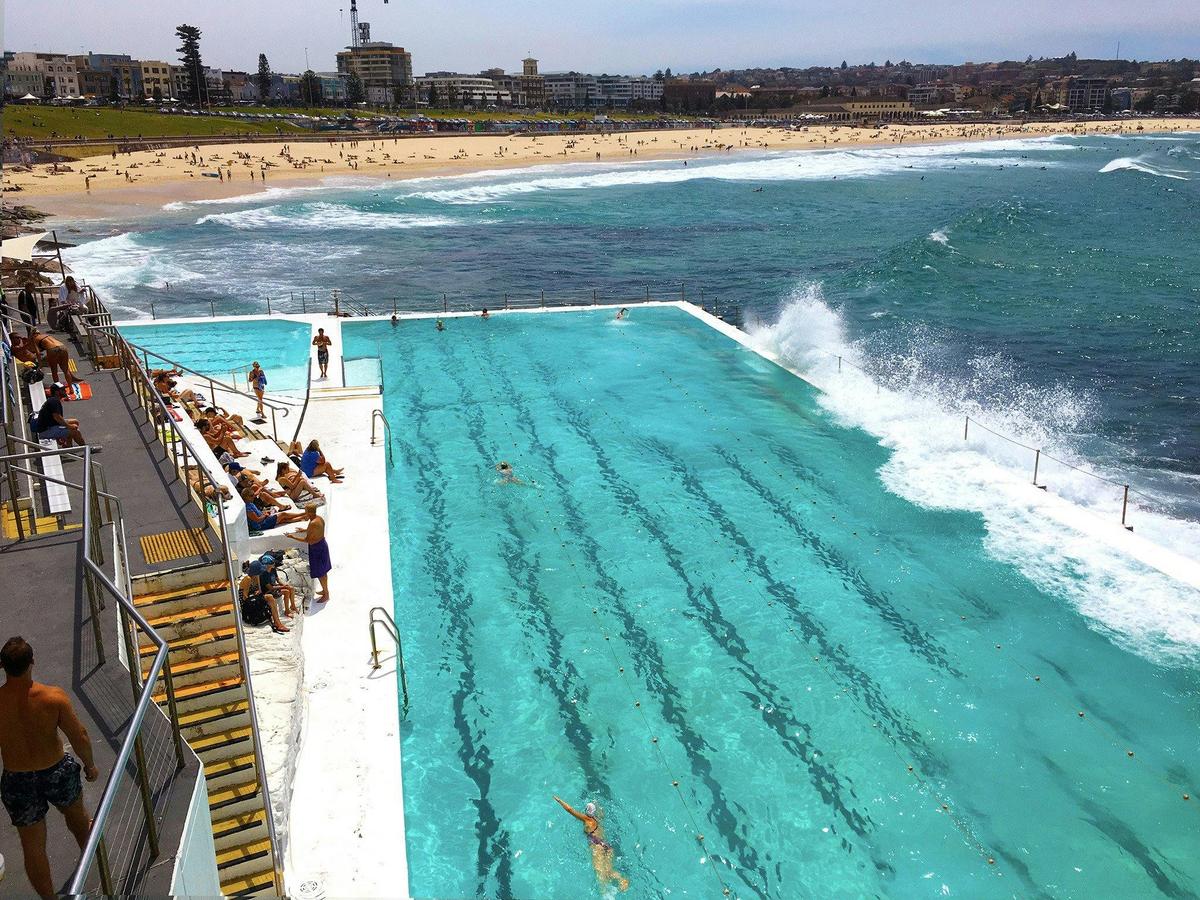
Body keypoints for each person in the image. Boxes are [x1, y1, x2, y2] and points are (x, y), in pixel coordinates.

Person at [0, 637, 98, 899]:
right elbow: (80, 737)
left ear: (3, 667)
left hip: (17, 779)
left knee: (33, 847)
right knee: (78, 819)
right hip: (55, 770)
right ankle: (93, 869)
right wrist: (90, 766)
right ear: (32, 662)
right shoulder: (53, 697)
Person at [553, 796, 628, 892]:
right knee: (608, 871)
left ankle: (605, 895)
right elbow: (599, 810)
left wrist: (559, 800)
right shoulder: (599, 818)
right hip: (606, 846)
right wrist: (596, 803)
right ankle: (623, 880)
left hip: (597, 847)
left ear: (586, 811)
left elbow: (569, 809)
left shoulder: (587, 819)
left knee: (600, 875)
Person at [31, 383, 97, 452]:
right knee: (75, 431)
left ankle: (69, 447)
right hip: (45, 431)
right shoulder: (54, 401)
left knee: (75, 421)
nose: (65, 391)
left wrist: (68, 426)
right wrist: (69, 426)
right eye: (63, 390)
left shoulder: (53, 400)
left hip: (49, 426)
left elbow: (56, 419)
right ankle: (86, 450)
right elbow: (57, 418)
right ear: (57, 392)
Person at [287, 504, 331, 603]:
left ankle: (326, 594)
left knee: (321, 572)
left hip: (317, 548)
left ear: (310, 512)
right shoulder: (318, 518)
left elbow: (307, 539)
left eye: (306, 511)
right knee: (322, 571)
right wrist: (304, 530)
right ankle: (325, 590)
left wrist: (292, 537)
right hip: (321, 545)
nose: (305, 513)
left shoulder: (313, 523)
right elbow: (315, 530)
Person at [237, 563, 289, 633]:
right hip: (247, 603)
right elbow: (245, 597)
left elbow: (259, 590)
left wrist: (258, 593)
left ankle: (277, 622)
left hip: (253, 599)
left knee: (270, 598)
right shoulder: (248, 579)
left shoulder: (257, 577)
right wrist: (255, 596)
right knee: (270, 597)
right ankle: (277, 623)